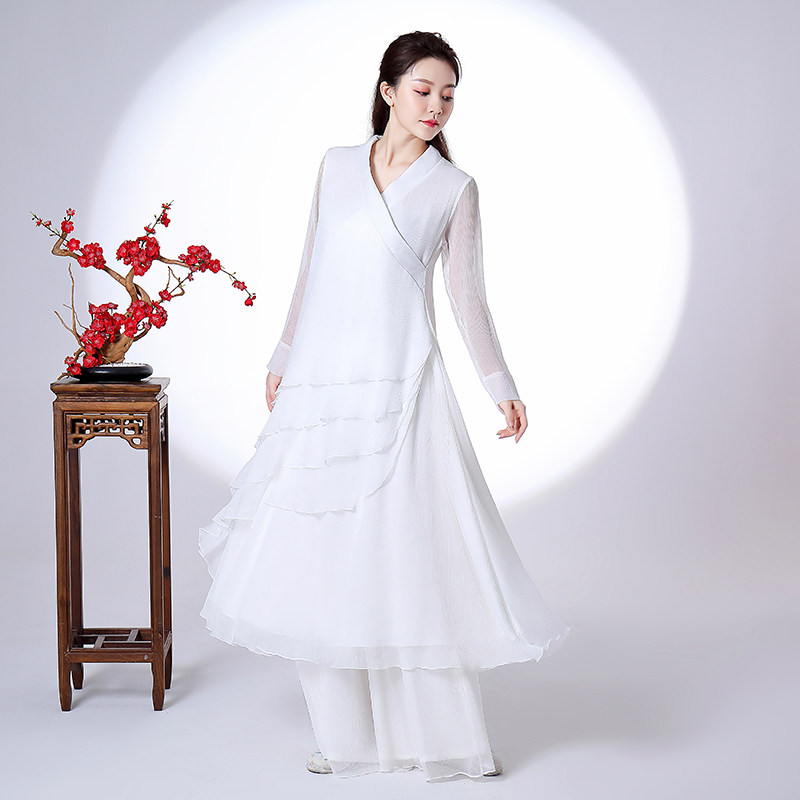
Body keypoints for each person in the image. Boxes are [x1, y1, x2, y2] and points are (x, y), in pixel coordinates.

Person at [198, 30, 570, 782]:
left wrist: (501, 385)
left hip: (403, 387)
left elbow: (467, 295)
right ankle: (344, 739)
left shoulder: (453, 188)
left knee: (407, 557)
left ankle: (445, 741)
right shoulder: (336, 167)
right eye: (424, 90)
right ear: (388, 90)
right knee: (324, 552)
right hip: (324, 389)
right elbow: (312, 266)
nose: (437, 106)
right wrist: (283, 355)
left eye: (449, 95)